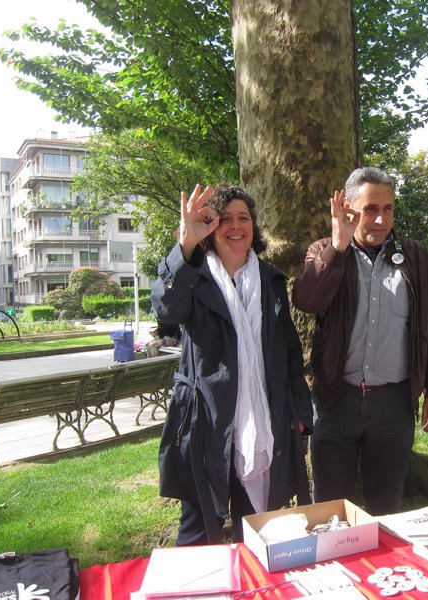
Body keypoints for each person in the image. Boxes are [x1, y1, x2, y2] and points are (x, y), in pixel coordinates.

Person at [152, 183, 313, 544]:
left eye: (244, 218)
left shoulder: (271, 280)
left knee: (256, 529)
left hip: (265, 418)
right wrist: (186, 245)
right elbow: (166, 310)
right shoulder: (193, 276)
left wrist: (301, 408)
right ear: (210, 228)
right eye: (225, 219)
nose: (236, 226)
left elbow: (289, 350)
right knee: (196, 530)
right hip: (207, 420)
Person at [292, 167, 428, 516]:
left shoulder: (417, 258)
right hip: (336, 402)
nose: (381, 219)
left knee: (387, 510)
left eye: (388, 208)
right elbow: (308, 300)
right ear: (349, 209)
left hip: (393, 405)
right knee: (329, 512)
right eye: (370, 209)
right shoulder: (324, 250)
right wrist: (338, 246)